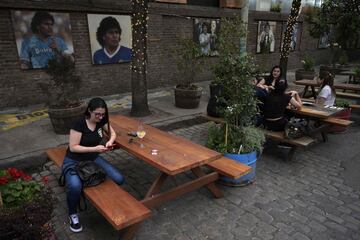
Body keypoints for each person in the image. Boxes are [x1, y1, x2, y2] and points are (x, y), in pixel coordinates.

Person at [61, 97, 124, 233]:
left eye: (103, 114)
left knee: (119, 179)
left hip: (92, 158)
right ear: (89, 110)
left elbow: (113, 133)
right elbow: (73, 147)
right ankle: (73, 214)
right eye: (97, 114)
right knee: (75, 186)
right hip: (73, 160)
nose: (100, 117)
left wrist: (109, 141)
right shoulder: (78, 124)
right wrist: (95, 148)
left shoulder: (101, 121)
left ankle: (103, 199)